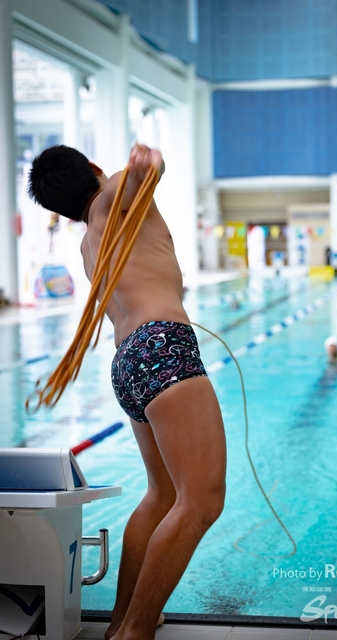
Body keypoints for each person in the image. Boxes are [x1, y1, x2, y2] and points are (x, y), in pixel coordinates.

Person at [28, 143, 227, 640]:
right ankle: (134, 631)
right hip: (164, 346)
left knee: (162, 494)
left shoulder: (87, 246)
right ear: (95, 169)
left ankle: (122, 620)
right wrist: (146, 163)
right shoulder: (115, 192)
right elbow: (149, 172)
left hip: (128, 362)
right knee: (202, 502)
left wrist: (145, 171)